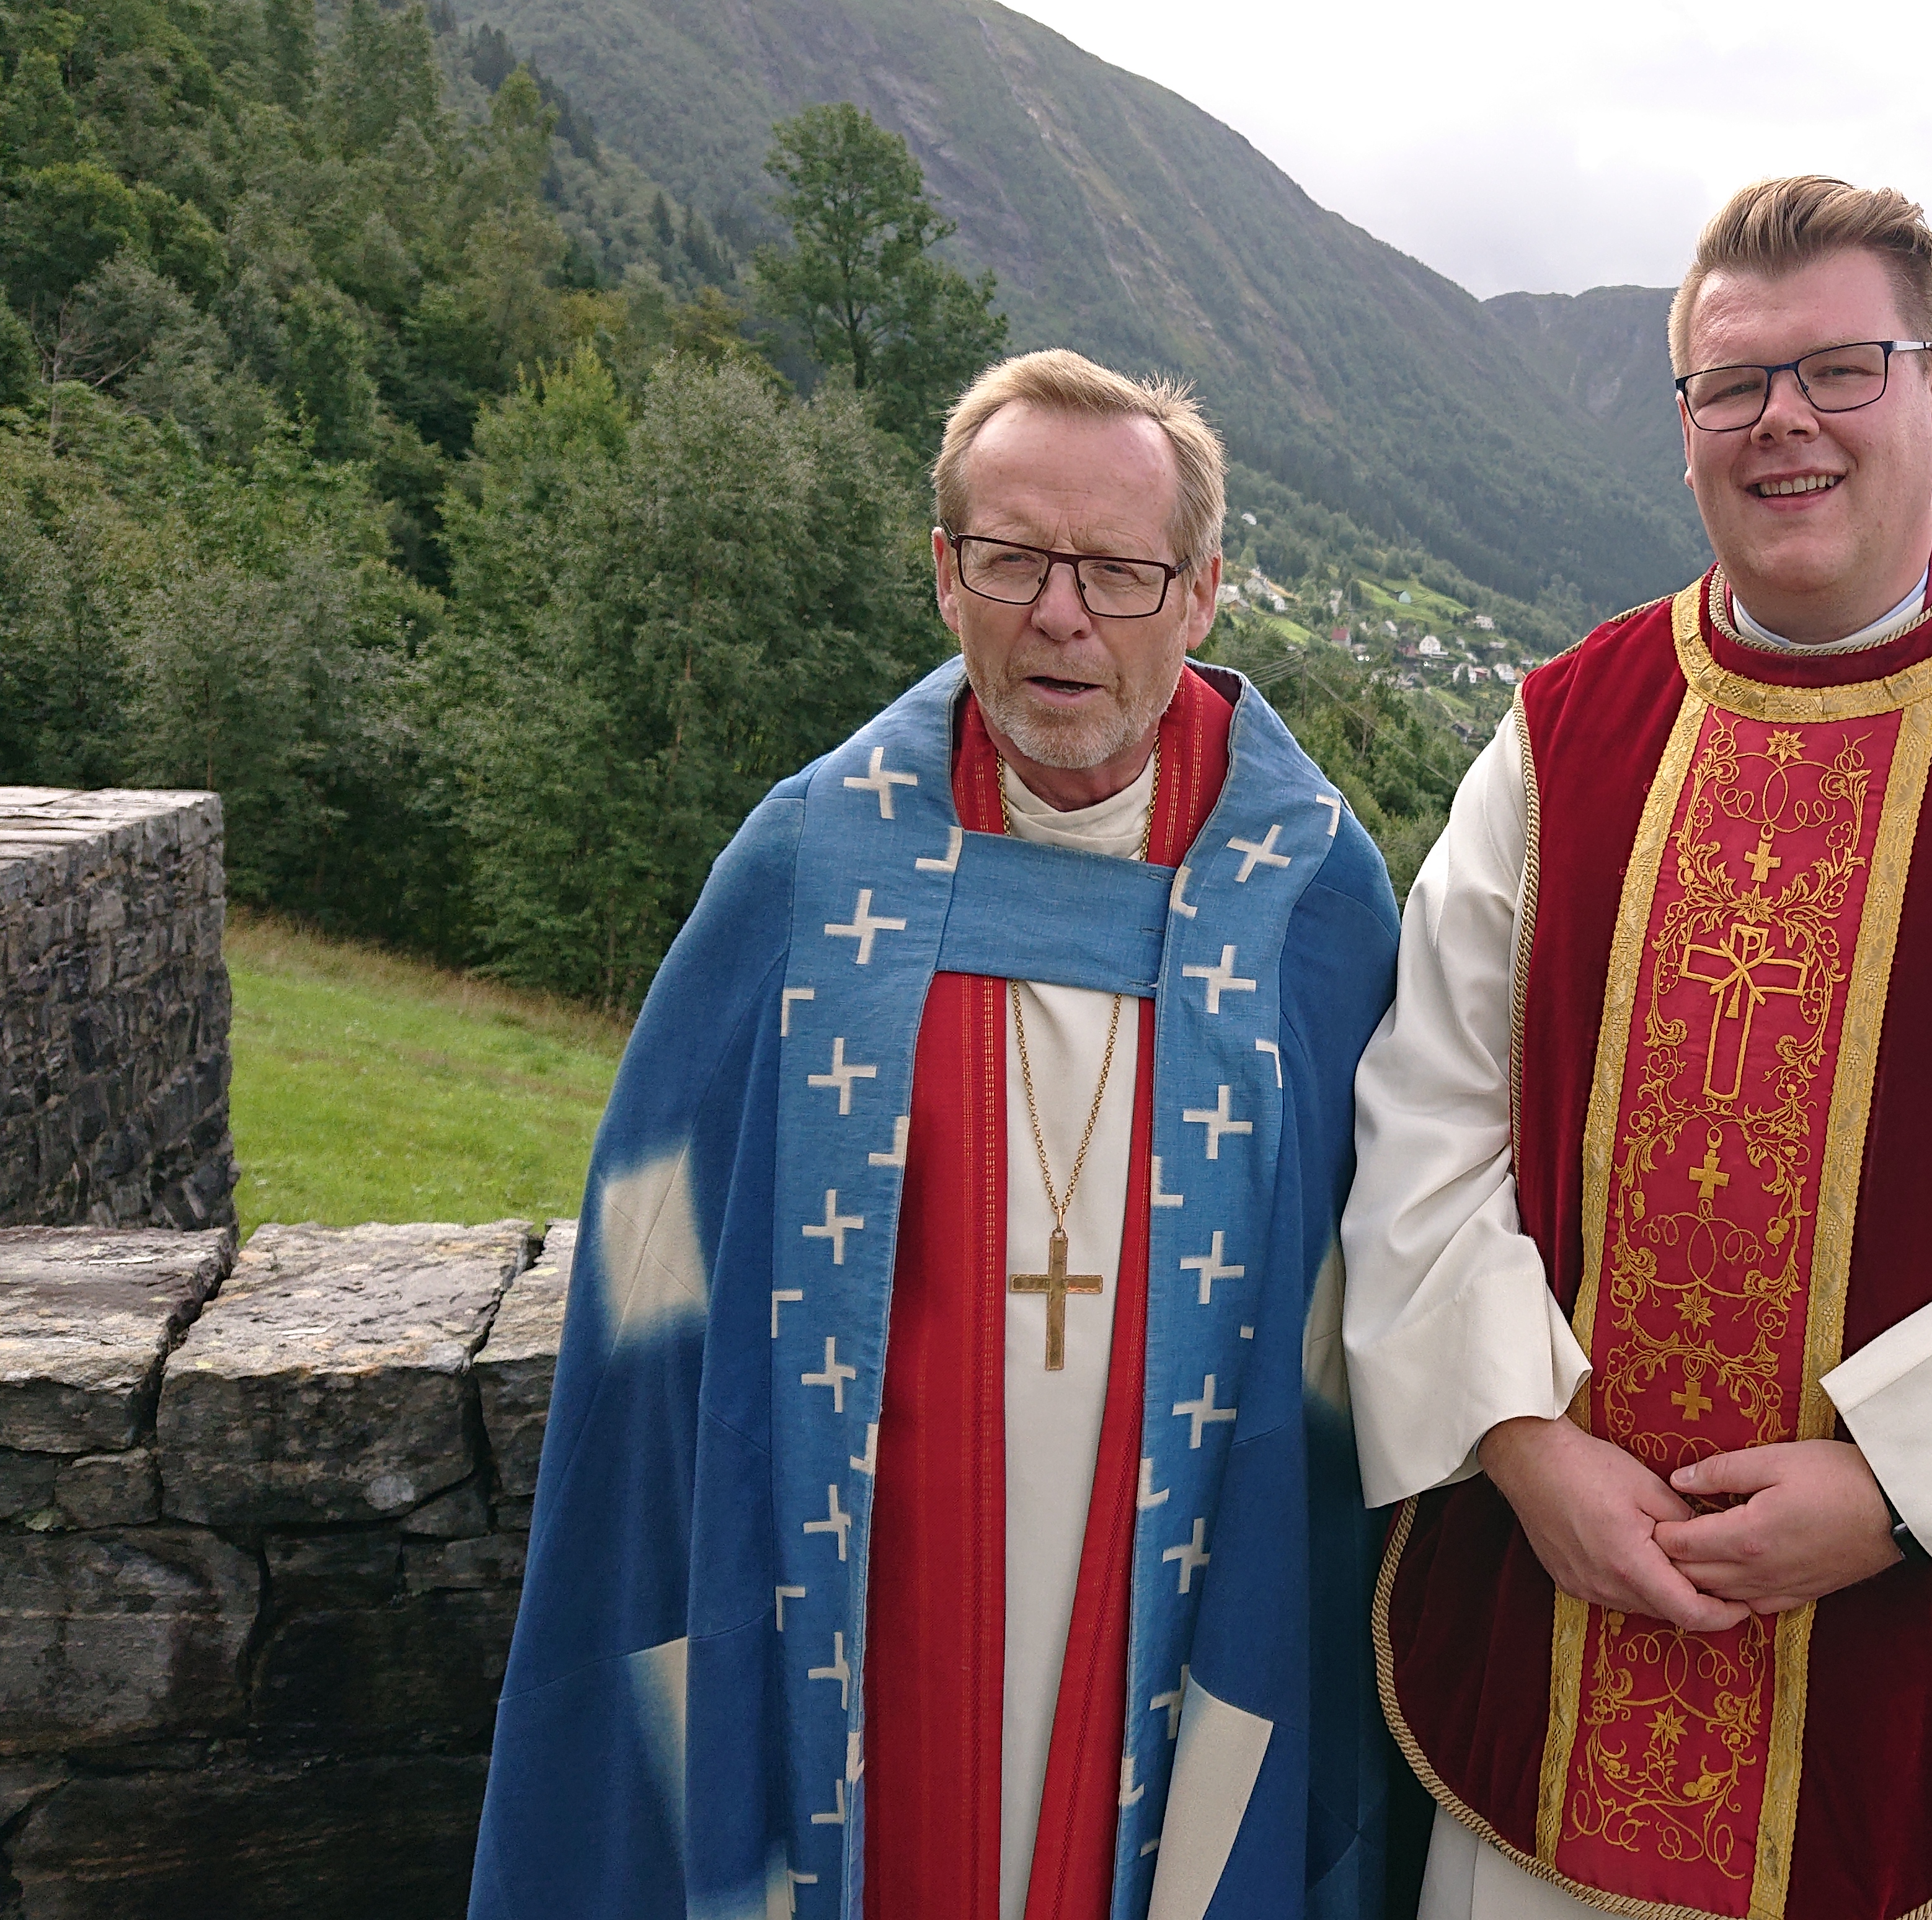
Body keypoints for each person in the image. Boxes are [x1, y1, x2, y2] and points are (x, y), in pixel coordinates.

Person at [1341, 178, 1932, 1919]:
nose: (1783, 422)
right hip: (1571, 1598)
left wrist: (1905, 1492)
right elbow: (1425, 1118)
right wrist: (1519, 1441)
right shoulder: (1561, 737)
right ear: (1687, 422)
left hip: (1921, 1631)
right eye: (1734, 383)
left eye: (1841, 370)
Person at [472, 350, 1401, 1920]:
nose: (1062, 615)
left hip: (1187, 1580)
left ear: (1202, 594)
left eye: (1117, 570)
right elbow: (655, 1244)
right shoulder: (811, 869)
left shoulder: (1310, 898)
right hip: (866, 1584)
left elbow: (1385, 1279)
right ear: (942, 574)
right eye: (1013, 559)